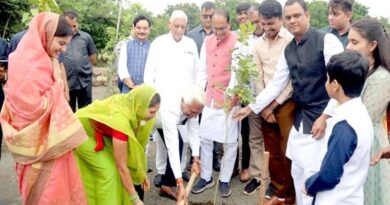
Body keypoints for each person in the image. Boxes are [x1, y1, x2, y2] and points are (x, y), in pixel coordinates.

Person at [233, 0, 344, 204]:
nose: (292, 21)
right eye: (289, 17)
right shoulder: (289, 49)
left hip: (324, 118)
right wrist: (250, 108)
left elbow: (340, 84)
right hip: (301, 117)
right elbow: (276, 85)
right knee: (298, 169)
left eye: (297, 16)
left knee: (315, 173)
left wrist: (326, 116)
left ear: (308, 15)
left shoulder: (327, 41)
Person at [0, 12, 87, 204]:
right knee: (45, 194)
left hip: (54, 143)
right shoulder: (25, 64)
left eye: (67, 44)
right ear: (45, 35)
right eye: (61, 43)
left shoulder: (49, 59)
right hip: (36, 145)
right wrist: (57, 90)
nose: (64, 50)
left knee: (61, 190)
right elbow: (31, 109)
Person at [319, 18, 390, 205]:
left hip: (368, 144)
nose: (348, 47)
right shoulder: (363, 71)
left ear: (373, 45)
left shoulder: (381, 78)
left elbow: (365, 115)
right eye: (348, 41)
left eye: (355, 42)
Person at [239, 1, 295, 204]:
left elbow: (290, 81)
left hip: (287, 102)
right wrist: (264, 106)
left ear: (281, 19)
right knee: (270, 151)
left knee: (286, 149)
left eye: (271, 23)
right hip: (263, 105)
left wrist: (274, 105)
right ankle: (278, 190)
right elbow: (257, 76)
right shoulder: (258, 44)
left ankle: (291, 192)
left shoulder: (290, 40)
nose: (268, 27)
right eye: (264, 23)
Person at [143, 10, 200, 203]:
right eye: (176, 26)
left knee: (178, 143)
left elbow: (196, 75)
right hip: (159, 106)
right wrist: (152, 102)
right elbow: (148, 75)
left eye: (183, 27)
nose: (180, 30)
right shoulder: (158, 43)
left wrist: (197, 156)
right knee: (145, 144)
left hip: (183, 102)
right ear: (169, 24)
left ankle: (167, 183)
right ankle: (143, 179)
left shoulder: (191, 44)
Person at [304, 50, 373, 205]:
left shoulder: (345, 125)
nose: (326, 83)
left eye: (328, 79)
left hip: (336, 199)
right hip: (351, 194)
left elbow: (329, 175)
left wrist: (309, 185)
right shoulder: (359, 112)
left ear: (335, 85)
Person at [74, 86, 160, 205]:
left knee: (121, 176)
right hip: (80, 132)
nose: (153, 116)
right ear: (141, 106)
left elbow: (137, 148)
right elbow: (122, 167)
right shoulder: (121, 122)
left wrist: (142, 172)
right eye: (152, 112)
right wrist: (136, 200)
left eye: (156, 112)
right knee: (109, 172)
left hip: (100, 134)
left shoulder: (131, 105)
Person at [192, 9, 238, 198]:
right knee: (205, 139)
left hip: (228, 99)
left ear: (229, 25)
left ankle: (225, 179)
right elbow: (202, 69)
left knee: (230, 143)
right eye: (214, 28)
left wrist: (230, 95)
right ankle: (206, 176)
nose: (218, 32)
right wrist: (199, 93)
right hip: (210, 97)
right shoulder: (207, 41)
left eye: (222, 28)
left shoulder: (237, 42)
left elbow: (237, 72)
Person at [153, 85, 205, 201]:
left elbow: (194, 131)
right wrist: (180, 183)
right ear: (184, 103)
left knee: (180, 143)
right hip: (149, 121)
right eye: (193, 112)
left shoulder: (193, 106)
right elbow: (172, 148)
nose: (195, 116)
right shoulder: (170, 110)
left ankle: (166, 185)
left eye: (198, 113)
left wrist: (195, 158)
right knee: (176, 146)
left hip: (164, 121)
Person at [63, 10, 97, 112]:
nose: (73, 29)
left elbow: (93, 57)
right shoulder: (60, 38)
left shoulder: (86, 37)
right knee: (68, 112)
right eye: (70, 26)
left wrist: (84, 68)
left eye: (75, 25)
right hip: (68, 83)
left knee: (86, 111)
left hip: (85, 81)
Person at [117, 15, 151, 93]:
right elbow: (122, 69)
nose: (142, 31)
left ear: (149, 29)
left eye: (145, 28)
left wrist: (142, 86)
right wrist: (133, 86)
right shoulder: (125, 45)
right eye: (138, 28)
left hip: (146, 91)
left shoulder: (153, 47)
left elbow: (155, 71)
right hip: (128, 90)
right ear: (134, 28)